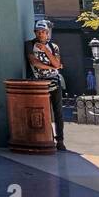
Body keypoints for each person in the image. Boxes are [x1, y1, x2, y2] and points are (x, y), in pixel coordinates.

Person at [26, 18, 65, 150]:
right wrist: (52, 67)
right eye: (38, 32)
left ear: (47, 33)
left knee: (58, 111)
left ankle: (60, 140)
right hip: (39, 83)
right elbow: (34, 62)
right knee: (43, 112)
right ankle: (46, 137)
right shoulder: (29, 45)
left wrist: (46, 51)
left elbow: (57, 63)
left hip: (54, 82)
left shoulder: (53, 47)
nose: (40, 34)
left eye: (43, 32)